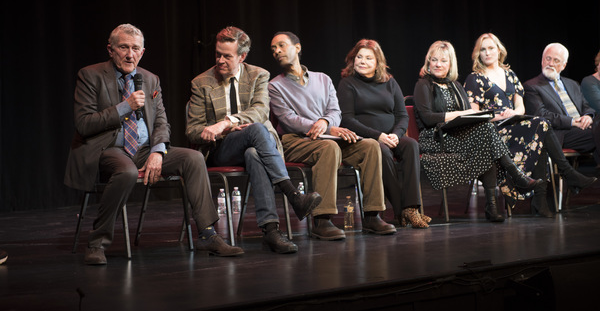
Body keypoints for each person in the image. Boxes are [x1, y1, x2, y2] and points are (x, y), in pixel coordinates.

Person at [64, 24, 243, 265]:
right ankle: (97, 242)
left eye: (135, 48)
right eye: (124, 47)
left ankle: (208, 234)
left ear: (143, 51)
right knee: (126, 171)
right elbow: (84, 124)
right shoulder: (90, 75)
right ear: (110, 49)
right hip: (107, 149)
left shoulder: (149, 79)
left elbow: (161, 122)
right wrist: (125, 106)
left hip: (144, 149)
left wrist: (158, 151)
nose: (130, 54)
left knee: (193, 158)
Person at [186, 26, 321, 254]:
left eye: (227, 56)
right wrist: (220, 128)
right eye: (218, 54)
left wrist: (226, 120)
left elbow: (260, 110)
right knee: (257, 130)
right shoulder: (201, 82)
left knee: (254, 152)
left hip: (258, 145)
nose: (220, 60)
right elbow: (192, 130)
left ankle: (270, 231)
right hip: (221, 147)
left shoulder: (258, 75)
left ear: (242, 56)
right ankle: (293, 196)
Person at [268, 31, 396, 240]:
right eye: (273, 49)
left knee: (371, 146)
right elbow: (288, 119)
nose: (277, 51)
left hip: (328, 138)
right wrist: (324, 127)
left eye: (281, 46)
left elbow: (335, 111)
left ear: (297, 48)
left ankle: (372, 215)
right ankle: (322, 219)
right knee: (329, 148)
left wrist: (326, 123)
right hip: (295, 140)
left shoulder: (323, 79)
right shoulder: (274, 86)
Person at [465, 33, 595, 217]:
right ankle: (566, 174)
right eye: (483, 49)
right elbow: (474, 114)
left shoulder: (510, 74)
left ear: (499, 50)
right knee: (540, 125)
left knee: (539, 132)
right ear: (478, 53)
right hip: (493, 131)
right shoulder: (474, 78)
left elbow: (520, 107)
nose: (487, 53)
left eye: (491, 48)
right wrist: (497, 115)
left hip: (514, 124)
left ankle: (540, 201)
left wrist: (513, 113)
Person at [413, 40, 543, 223]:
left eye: (443, 61)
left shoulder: (455, 85)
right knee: (487, 140)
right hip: (434, 137)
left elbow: (471, 117)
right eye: (434, 60)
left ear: (450, 64)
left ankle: (493, 204)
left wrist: (471, 116)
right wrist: (460, 113)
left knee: (486, 139)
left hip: (457, 135)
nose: (438, 65)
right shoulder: (423, 85)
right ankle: (514, 177)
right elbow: (428, 118)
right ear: (428, 62)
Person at [337, 39, 430, 228]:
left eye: (368, 58)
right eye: (359, 57)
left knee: (411, 144)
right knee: (381, 150)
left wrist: (397, 134)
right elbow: (347, 120)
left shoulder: (390, 82)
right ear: (352, 60)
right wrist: (378, 135)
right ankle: (400, 209)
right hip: (365, 139)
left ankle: (411, 207)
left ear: (378, 62)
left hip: (390, 135)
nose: (362, 61)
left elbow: (402, 115)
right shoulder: (347, 84)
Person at [524, 43, 600, 188]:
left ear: (563, 65)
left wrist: (588, 116)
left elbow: (587, 107)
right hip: (561, 134)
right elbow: (541, 115)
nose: (551, 63)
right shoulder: (531, 86)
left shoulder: (572, 84)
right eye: (548, 58)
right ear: (541, 60)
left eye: (556, 60)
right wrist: (572, 122)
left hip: (585, 129)